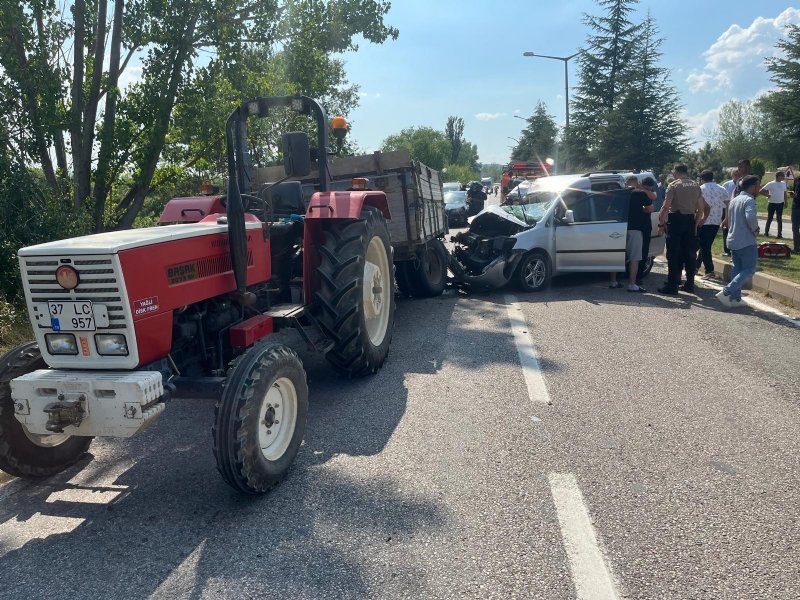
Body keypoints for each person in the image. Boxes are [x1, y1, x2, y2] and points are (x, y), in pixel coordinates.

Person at [657, 164, 704, 294]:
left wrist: (661, 224)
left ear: (675, 172)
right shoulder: (696, 185)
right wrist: (695, 224)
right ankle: (689, 284)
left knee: (673, 254)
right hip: (690, 220)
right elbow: (701, 209)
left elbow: (666, 207)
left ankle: (672, 285)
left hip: (676, 220)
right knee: (690, 254)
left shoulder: (674, 185)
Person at [716, 175, 760, 307]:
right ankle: (727, 291)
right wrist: (756, 229)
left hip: (733, 239)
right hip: (745, 240)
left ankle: (736, 299)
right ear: (752, 186)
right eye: (758, 185)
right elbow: (750, 217)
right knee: (749, 269)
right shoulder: (749, 200)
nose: (759, 188)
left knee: (738, 268)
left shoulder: (735, 199)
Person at [610, 178, 653, 292]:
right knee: (635, 258)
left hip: (618, 228)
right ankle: (632, 284)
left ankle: (613, 282)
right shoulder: (640, 193)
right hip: (635, 228)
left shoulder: (619, 194)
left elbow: (611, 210)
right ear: (637, 183)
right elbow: (649, 207)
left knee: (616, 255)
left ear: (626, 183)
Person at [696, 170, 728, 280]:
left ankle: (709, 270)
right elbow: (728, 204)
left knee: (704, 246)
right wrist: (726, 218)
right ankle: (696, 266)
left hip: (703, 221)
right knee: (705, 245)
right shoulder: (721, 189)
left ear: (702, 178)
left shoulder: (700, 189)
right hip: (716, 221)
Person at [760, 170, 787, 238]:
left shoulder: (783, 183)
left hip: (780, 203)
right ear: (778, 176)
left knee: (779, 219)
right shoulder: (771, 183)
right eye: (782, 176)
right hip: (772, 203)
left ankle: (779, 235)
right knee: (770, 218)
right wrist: (767, 195)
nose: (783, 177)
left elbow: (785, 193)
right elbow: (761, 191)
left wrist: (786, 202)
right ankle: (766, 233)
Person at [793, 169, 800, 252]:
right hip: (795, 206)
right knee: (795, 228)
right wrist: (793, 194)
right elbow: (795, 190)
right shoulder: (797, 179)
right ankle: (796, 247)